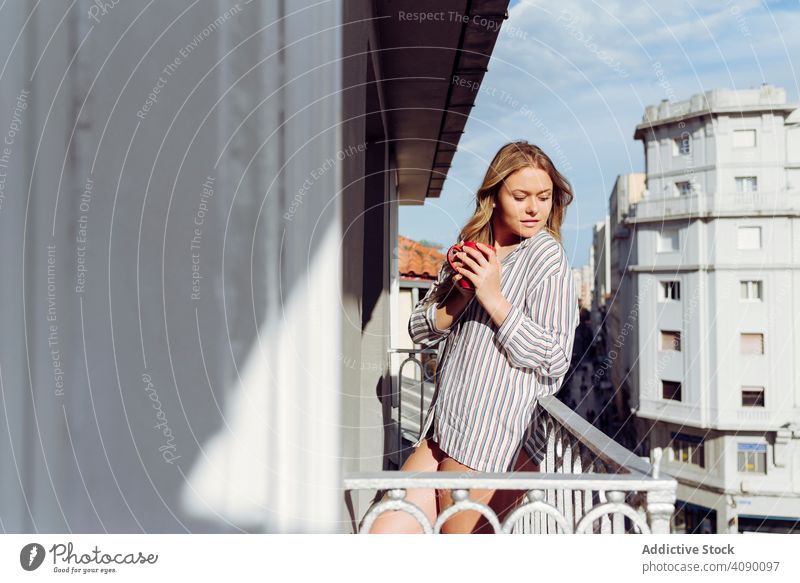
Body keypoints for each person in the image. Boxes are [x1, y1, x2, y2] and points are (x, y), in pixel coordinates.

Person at [369, 140, 579, 534]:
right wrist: (461, 296)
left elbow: (554, 357)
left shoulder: (546, 257)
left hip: (487, 442)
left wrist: (493, 297)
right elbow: (419, 329)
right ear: (495, 196)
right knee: (379, 535)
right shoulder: (474, 251)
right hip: (440, 429)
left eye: (544, 197)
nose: (534, 208)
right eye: (520, 196)